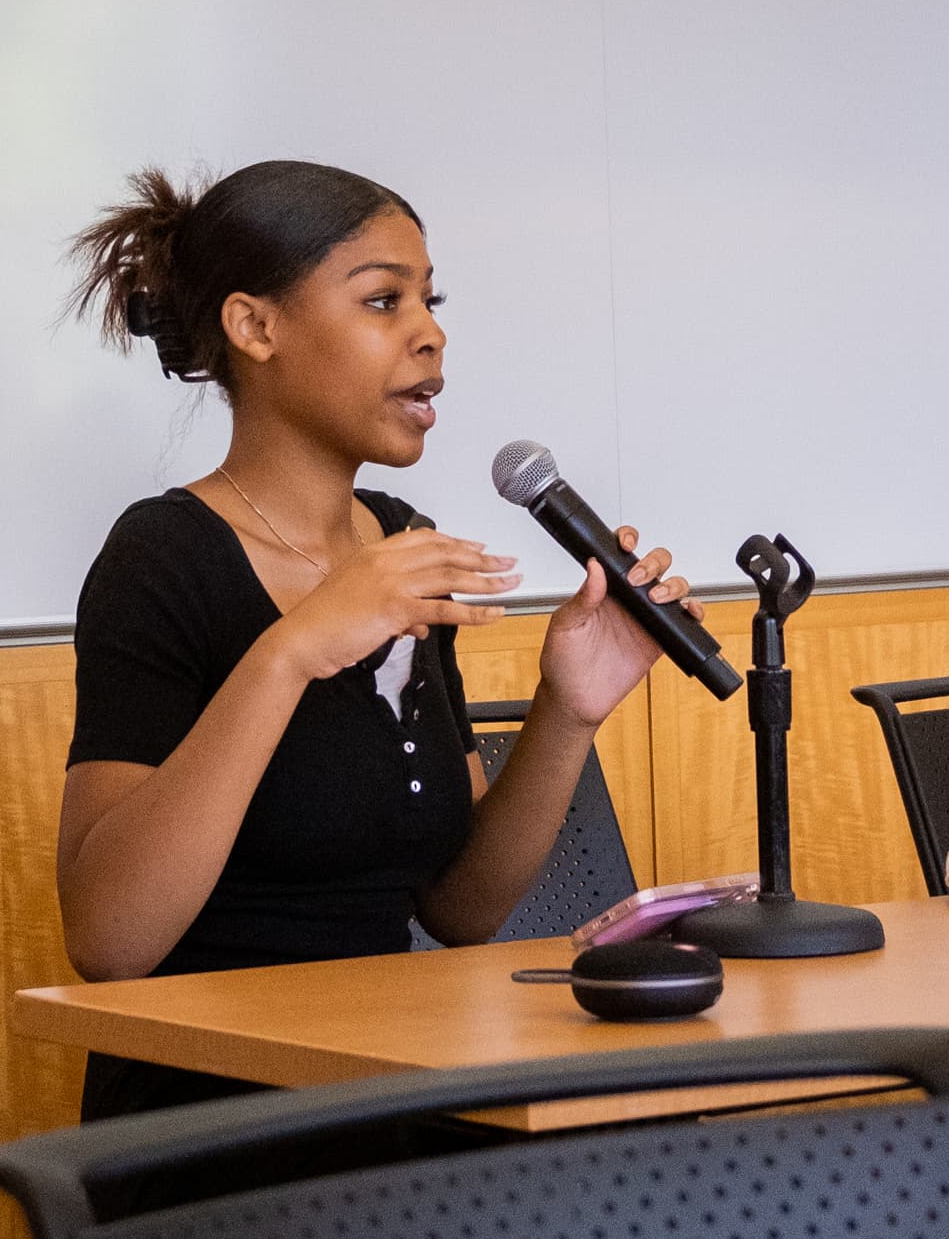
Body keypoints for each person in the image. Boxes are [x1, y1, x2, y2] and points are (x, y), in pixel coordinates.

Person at [57, 158, 693, 1122]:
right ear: (255, 327)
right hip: (215, 1118)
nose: (430, 332)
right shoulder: (161, 558)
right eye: (384, 300)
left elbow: (459, 908)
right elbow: (108, 941)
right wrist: (294, 649)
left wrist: (568, 710)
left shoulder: (400, 539)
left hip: (396, 1083)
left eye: (430, 301)